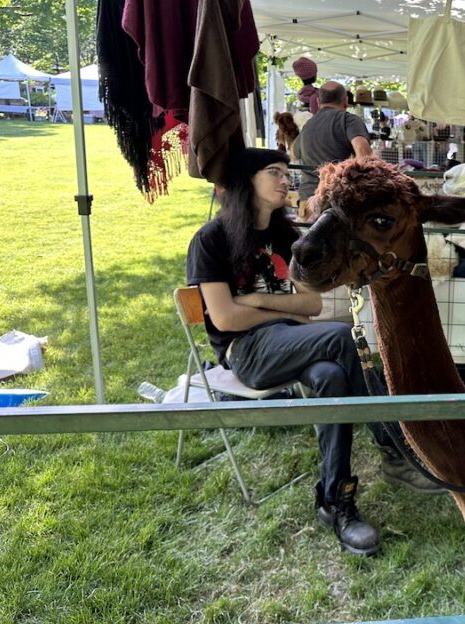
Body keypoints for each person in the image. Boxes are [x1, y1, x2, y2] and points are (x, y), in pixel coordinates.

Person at [186, 148, 441, 557]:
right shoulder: (211, 240)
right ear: (245, 182)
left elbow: (312, 306)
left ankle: (335, 501)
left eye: (288, 172)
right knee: (342, 337)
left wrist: (255, 302)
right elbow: (226, 319)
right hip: (248, 352)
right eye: (274, 172)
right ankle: (394, 447)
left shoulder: (288, 238)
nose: (286, 180)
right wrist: (263, 310)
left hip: (295, 340)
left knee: (333, 377)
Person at [292, 81, 373, 220]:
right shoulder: (348, 120)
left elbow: (293, 153)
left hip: (308, 203)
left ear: (318, 101)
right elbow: (362, 149)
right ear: (345, 100)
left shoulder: (308, 125)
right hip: (337, 205)